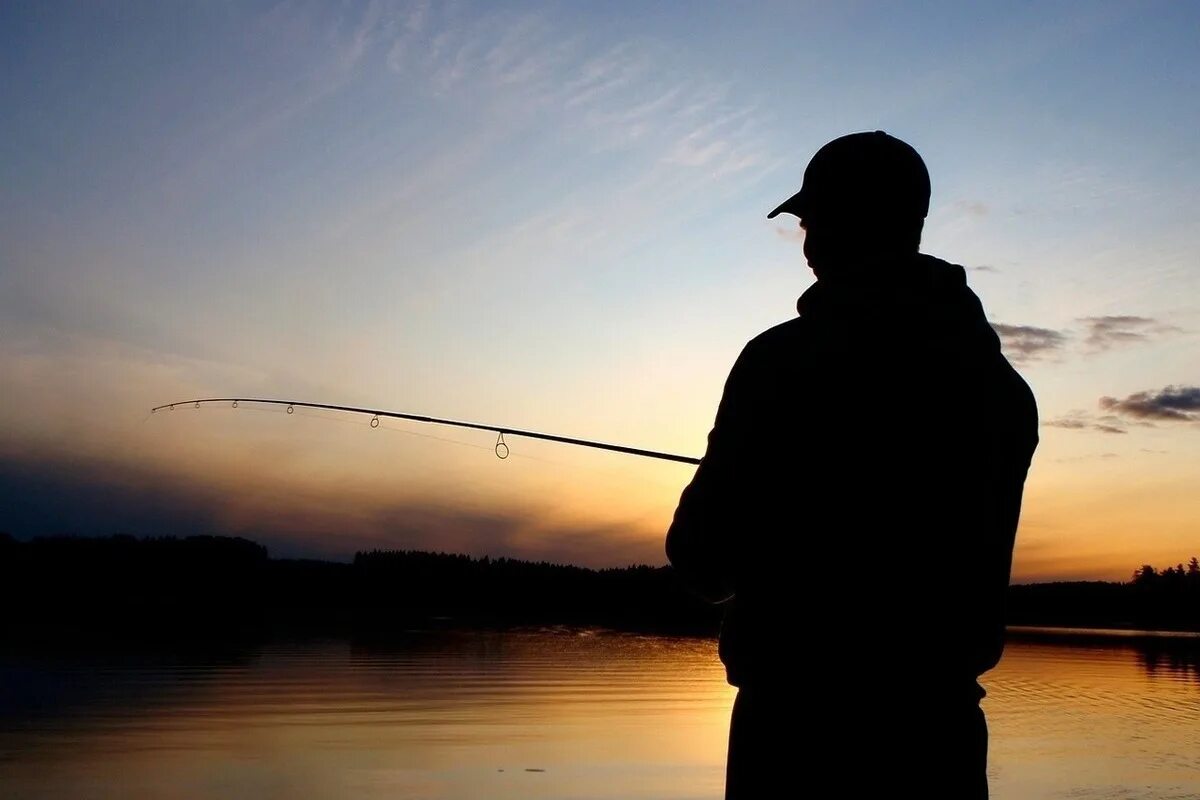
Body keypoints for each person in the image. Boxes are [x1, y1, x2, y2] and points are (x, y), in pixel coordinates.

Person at [665, 131, 1038, 799]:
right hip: (940, 742)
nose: (806, 245)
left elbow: (701, 559)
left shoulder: (779, 362)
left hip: (795, 736)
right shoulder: (1002, 389)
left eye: (812, 222)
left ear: (841, 226)